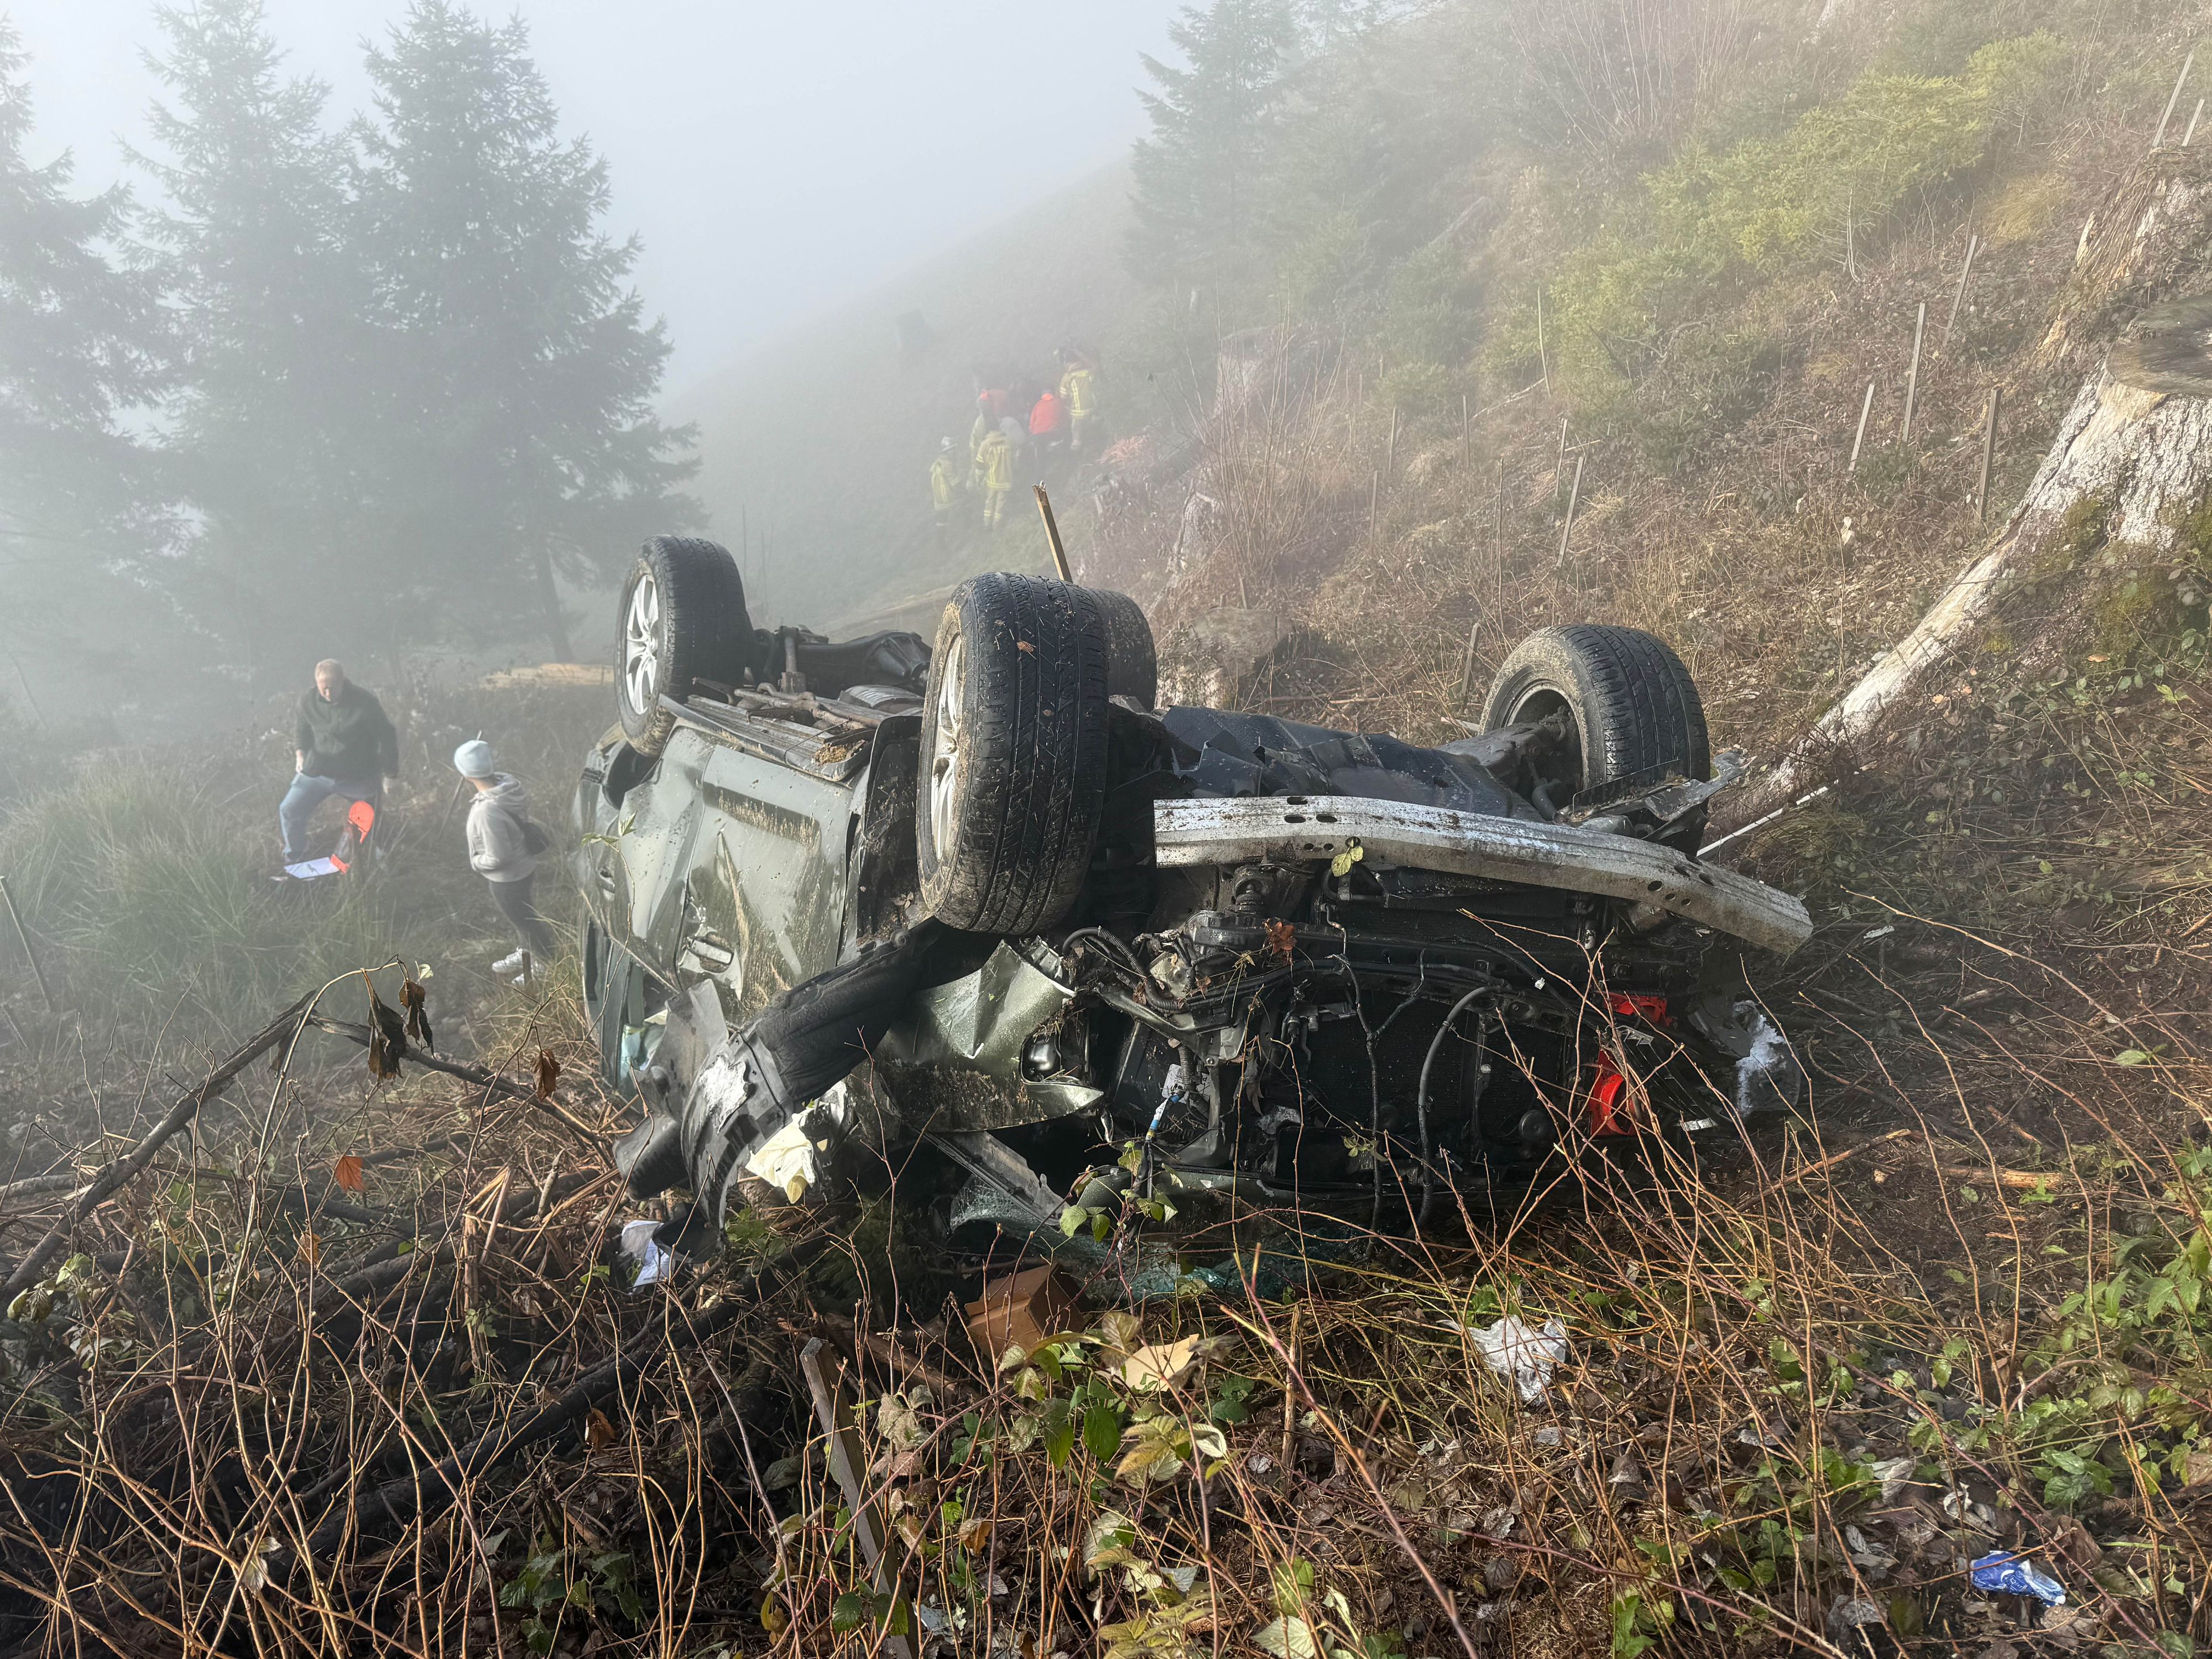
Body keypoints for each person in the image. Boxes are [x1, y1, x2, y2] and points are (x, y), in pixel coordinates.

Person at [454, 738, 555, 982]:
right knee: (524, 917)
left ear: (467, 776)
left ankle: (544, 964)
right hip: (525, 865)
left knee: (524, 920)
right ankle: (527, 953)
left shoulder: (486, 811)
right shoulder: (508, 787)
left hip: (508, 878)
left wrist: (477, 862)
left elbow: (499, 856)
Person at [280, 659, 399, 867]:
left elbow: (387, 736)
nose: (327, 693)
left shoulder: (365, 702)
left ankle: (348, 862)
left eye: (332, 688)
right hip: (318, 771)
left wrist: (391, 774)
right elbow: (302, 730)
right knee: (290, 810)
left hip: (359, 775)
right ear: (316, 683)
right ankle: (295, 857)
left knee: (364, 825)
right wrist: (300, 754)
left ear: (343, 681)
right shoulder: (308, 701)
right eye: (323, 688)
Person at [972, 422, 1015, 528]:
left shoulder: (985, 444)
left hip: (992, 478)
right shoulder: (1009, 441)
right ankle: (997, 524)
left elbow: (980, 464)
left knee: (990, 500)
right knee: (1001, 502)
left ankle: (987, 523)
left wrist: (978, 479)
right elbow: (1015, 457)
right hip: (1006, 477)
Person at [1059, 352, 1098, 455]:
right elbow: (1096, 367)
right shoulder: (1089, 372)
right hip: (1093, 409)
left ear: (1069, 363)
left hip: (1078, 413)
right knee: (1093, 432)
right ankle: (1094, 448)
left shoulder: (1067, 377)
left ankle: (1076, 457)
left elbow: (1064, 397)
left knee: (1077, 437)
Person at [929, 436, 965, 537]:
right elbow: (955, 483)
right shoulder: (948, 465)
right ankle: (969, 526)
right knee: (967, 503)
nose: (955, 452)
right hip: (949, 497)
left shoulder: (937, 463)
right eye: (953, 450)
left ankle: (941, 543)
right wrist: (964, 493)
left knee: (942, 520)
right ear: (948, 451)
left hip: (939, 499)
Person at [1028, 388, 1067, 469]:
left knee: (1040, 460)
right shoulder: (1059, 403)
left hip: (1038, 435)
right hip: (1053, 434)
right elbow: (1064, 419)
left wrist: (1034, 434)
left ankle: (1040, 480)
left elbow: (1032, 423)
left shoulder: (1038, 405)